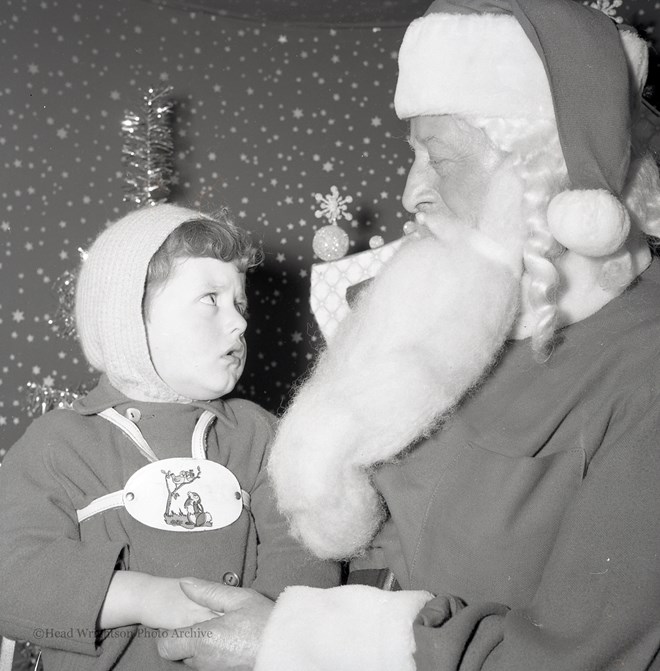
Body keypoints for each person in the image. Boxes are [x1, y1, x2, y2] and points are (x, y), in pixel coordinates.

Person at [156, 0, 660, 669]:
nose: (410, 191)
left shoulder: (644, 372)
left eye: (441, 158)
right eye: (411, 154)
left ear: (548, 171)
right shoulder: (481, 322)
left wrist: (294, 640)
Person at [0, 204, 340, 670]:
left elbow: (306, 554)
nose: (240, 322)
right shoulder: (58, 444)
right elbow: (11, 576)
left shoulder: (260, 435)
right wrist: (142, 597)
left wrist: (276, 634)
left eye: (240, 303)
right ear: (129, 317)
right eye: (210, 299)